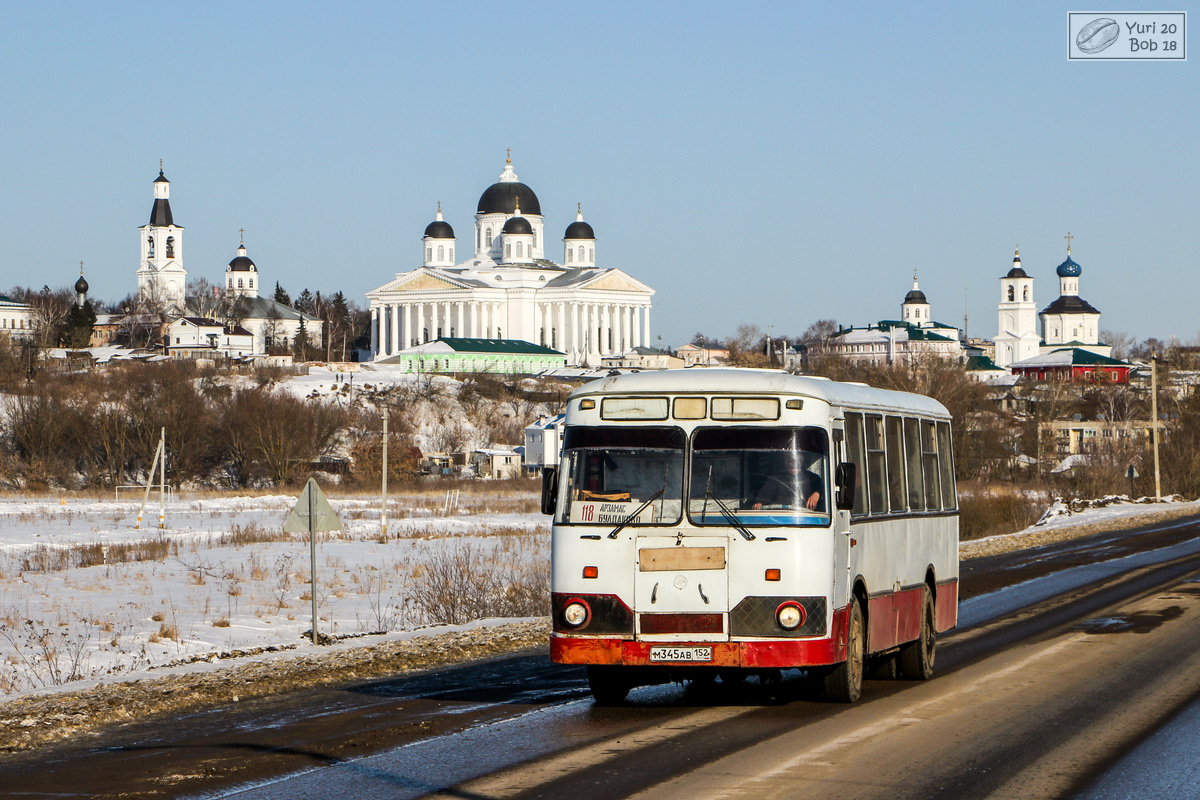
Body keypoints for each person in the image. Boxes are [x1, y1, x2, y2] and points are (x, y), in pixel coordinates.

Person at [749, 453, 822, 511]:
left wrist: (816, 493)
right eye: (787, 457)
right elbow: (763, 497)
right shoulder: (775, 479)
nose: (791, 460)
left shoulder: (813, 478)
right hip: (782, 518)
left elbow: (827, 492)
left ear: (802, 458)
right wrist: (759, 503)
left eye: (794, 456)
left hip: (808, 519)